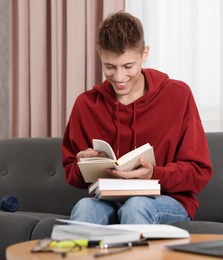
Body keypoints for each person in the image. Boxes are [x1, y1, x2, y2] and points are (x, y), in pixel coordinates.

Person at [62, 11, 212, 225]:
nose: (119, 78)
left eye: (128, 66)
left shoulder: (178, 95)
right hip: (108, 199)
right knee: (84, 207)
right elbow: (71, 173)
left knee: (136, 206)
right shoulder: (86, 104)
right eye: (109, 67)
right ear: (100, 56)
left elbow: (199, 172)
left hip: (166, 200)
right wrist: (82, 164)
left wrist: (154, 173)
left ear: (145, 54)